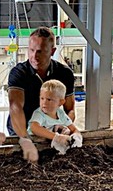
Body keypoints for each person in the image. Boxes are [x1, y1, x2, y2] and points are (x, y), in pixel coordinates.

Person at [7, 26, 75, 163]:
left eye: (40, 52)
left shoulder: (64, 73)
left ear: (52, 51)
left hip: (51, 128)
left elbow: (70, 108)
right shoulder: (19, 73)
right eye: (31, 50)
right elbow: (15, 107)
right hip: (22, 127)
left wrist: (66, 127)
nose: (34, 56)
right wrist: (25, 139)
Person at [27, 80, 82, 155]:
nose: (44, 103)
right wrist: (57, 137)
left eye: (49, 99)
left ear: (61, 102)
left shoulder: (61, 113)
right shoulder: (39, 114)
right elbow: (34, 127)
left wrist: (76, 137)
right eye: (42, 98)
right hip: (32, 146)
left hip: (47, 147)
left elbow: (74, 129)